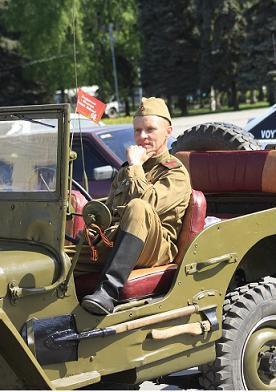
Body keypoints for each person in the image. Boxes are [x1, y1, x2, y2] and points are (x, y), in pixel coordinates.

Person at [81, 97, 192, 315]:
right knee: (59, 259)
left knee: (138, 207)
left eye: (150, 130)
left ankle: (108, 292)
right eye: (137, 130)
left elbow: (147, 203)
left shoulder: (175, 172)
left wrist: (135, 166)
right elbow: (111, 212)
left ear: (168, 131)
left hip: (156, 248)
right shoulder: (126, 171)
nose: (142, 137)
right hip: (118, 240)